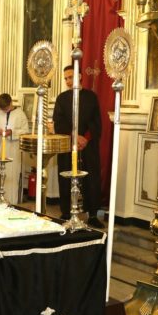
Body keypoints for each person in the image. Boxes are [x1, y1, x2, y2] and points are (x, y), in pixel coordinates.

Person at [53, 65, 103, 228]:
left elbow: (96, 122)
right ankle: (66, 212)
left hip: (88, 146)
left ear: (80, 76)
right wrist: (74, 137)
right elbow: (59, 122)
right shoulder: (62, 98)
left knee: (91, 178)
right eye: (66, 78)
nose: (68, 81)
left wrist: (85, 138)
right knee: (66, 177)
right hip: (68, 144)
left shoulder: (91, 97)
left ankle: (93, 214)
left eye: (71, 77)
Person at [0, 93, 29, 204]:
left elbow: (25, 131)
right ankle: (0, 199)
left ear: (11, 103)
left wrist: (12, 132)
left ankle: (12, 201)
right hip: (1, 147)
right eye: (2, 109)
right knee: (1, 172)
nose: (4, 111)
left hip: (14, 149)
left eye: (6, 108)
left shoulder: (20, 114)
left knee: (13, 174)